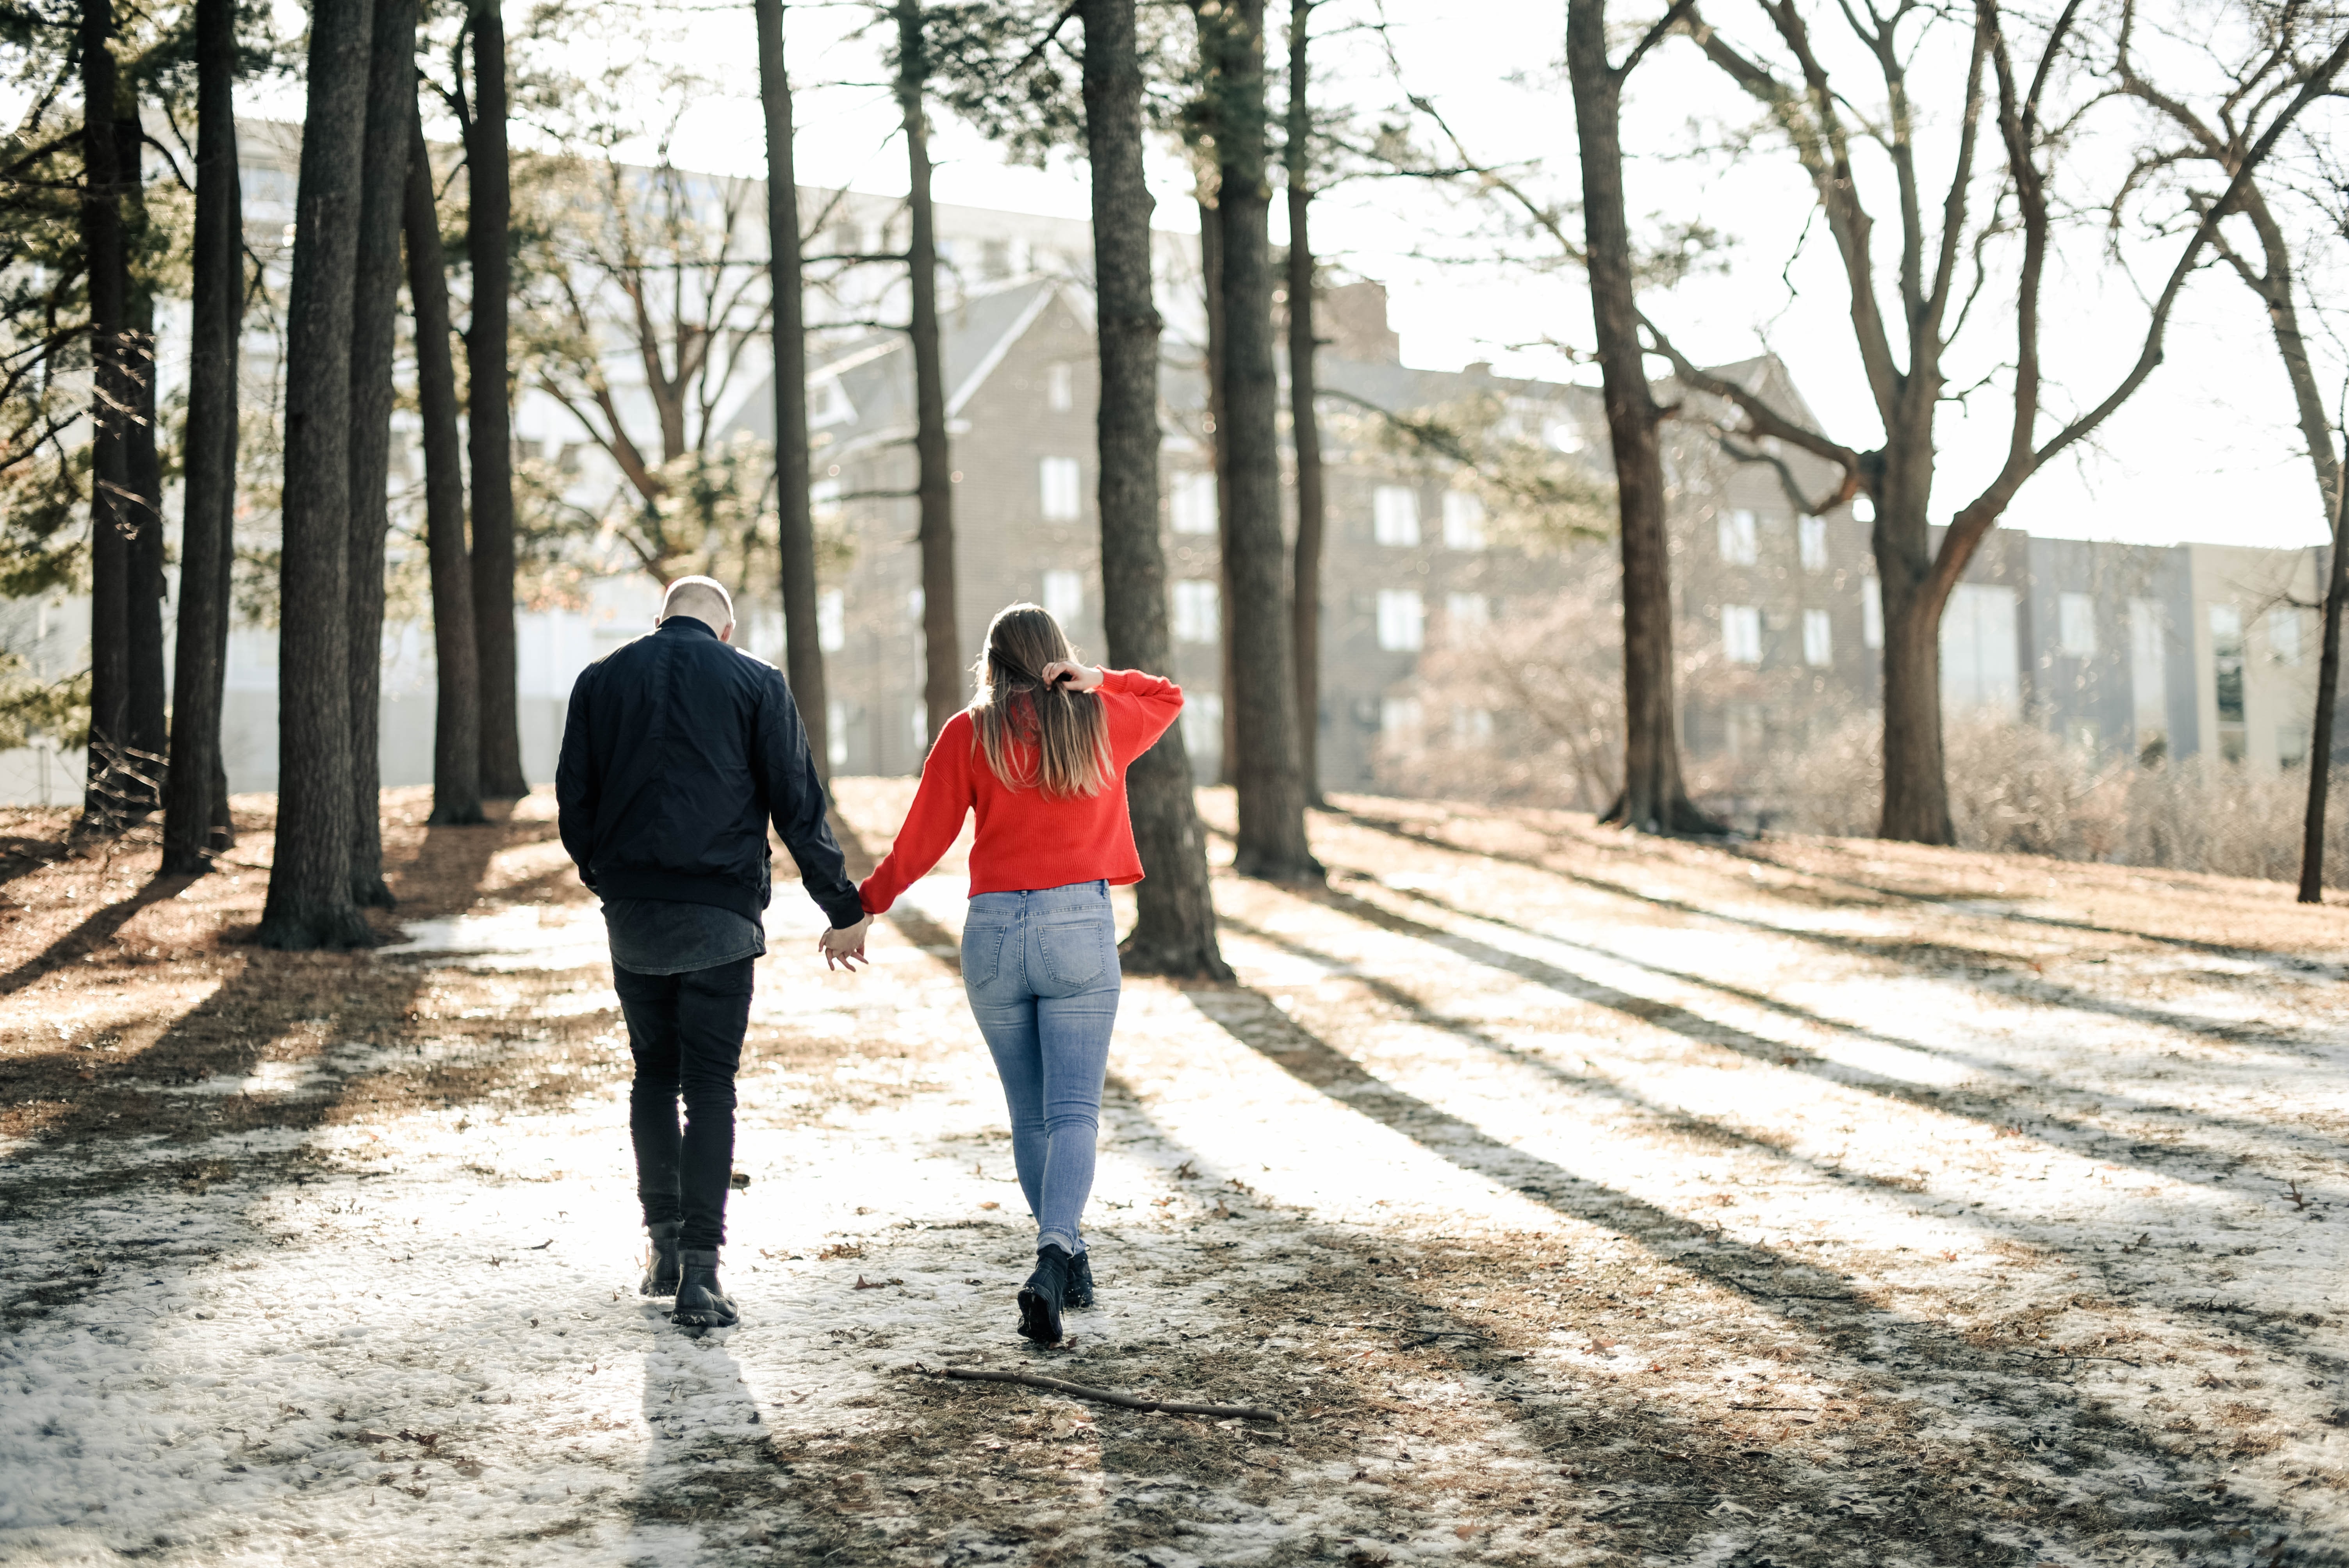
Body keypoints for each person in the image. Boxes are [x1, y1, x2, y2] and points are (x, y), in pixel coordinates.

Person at [852, 603, 1182, 1345]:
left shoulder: (971, 732)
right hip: (1076, 931)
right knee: (1073, 1115)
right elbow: (1167, 695)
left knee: (1031, 1116)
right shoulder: (1100, 718)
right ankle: (1055, 1255)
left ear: (992, 663)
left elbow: (921, 838)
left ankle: (1069, 1257)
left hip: (995, 934)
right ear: (1057, 656)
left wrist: (867, 905)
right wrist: (1097, 679)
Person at [556, 576, 873, 1329]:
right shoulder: (756, 681)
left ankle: (662, 1248)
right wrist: (843, 907)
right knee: (710, 1089)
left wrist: (607, 877)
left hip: (635, 914)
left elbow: (575, 800)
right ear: (725, 630)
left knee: (652, 1077)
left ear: (658, 620)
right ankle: (702, 1273)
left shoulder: (600, 680)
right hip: (721, 914)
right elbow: (798, 803)